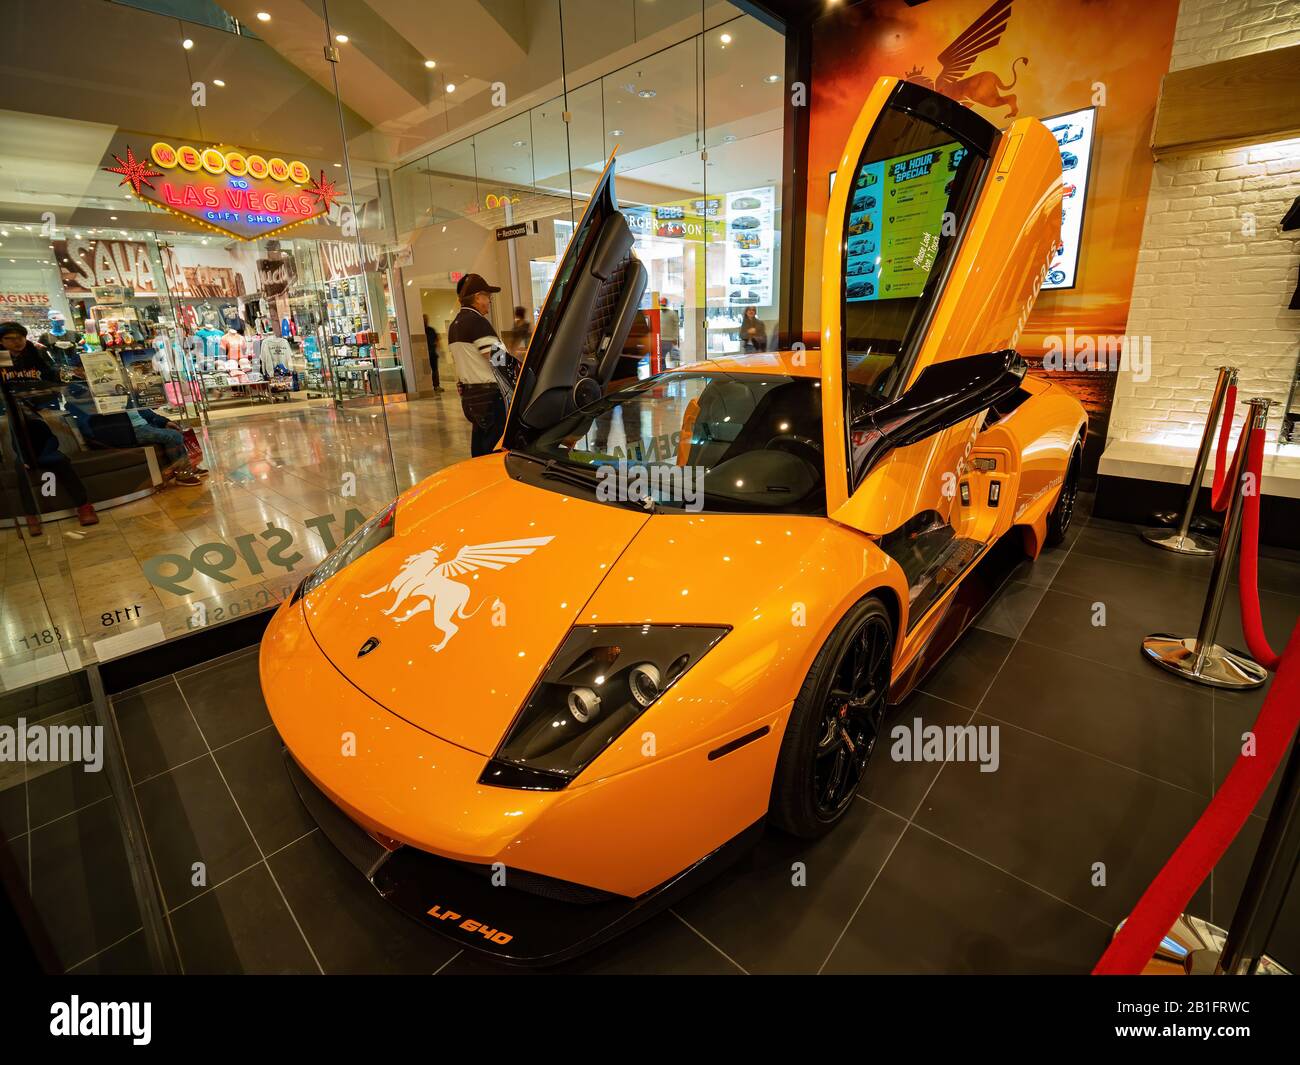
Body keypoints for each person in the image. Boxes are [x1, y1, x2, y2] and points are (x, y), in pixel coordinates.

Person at [0, 321, 97, 533]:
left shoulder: (37, 355)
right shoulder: (1, 360)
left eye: (20, 337)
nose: (17, 342)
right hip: (12, 417)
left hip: (41, 413)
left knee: (56, 459)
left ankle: (83, 505)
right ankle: (31, 514)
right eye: (10, 338)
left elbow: (52, 378)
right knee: (22, 466)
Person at [448, 274, 516, 457]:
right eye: (488, 297)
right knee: (495, 452)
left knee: (480, 448)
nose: (490, 301)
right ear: (478, 297)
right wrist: (521, 372)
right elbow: (498, 360)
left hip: (471, 397)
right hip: (490, 398)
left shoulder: (455, 325)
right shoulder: (477, 323)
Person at [422, 314, 443, 393]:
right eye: (424, 319)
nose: (425, 321)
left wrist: (439, 349)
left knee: (435, 370)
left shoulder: (431, 330)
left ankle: (436, 386)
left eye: (426, 319)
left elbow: (437, 340)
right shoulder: (420, 330)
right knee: (426, 371)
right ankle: (427, 386)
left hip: (433, 354)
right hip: (424, 355)